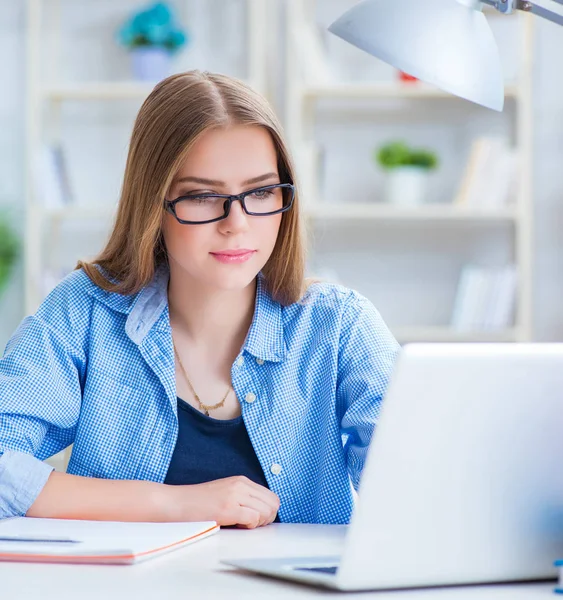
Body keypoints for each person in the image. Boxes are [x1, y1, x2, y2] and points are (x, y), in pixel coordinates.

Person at [0, 71, 400, 528]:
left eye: (262, 191)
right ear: (153, 204)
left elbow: (418, 481)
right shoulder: (85, 311)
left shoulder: (339, 326)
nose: (236, 222)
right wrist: (174, 504)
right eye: (203, 196)